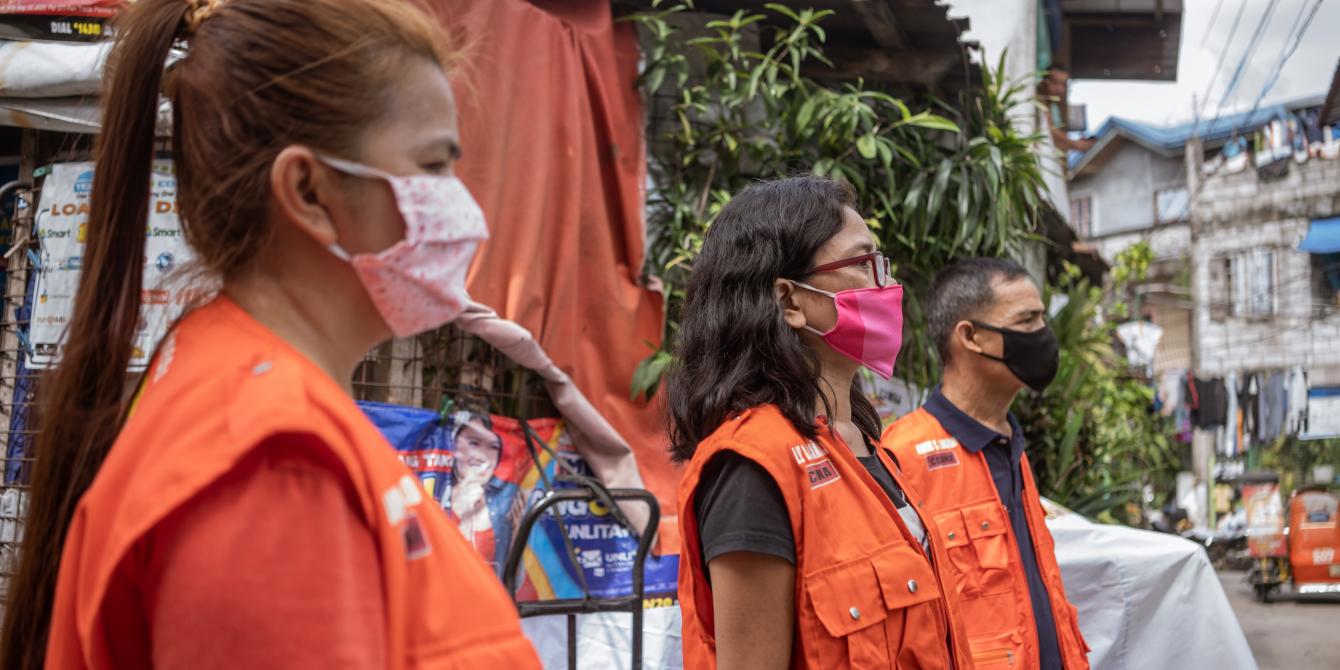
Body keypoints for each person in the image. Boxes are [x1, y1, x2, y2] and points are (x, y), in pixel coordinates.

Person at [0, 0, 541, 667]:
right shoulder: (270, 468)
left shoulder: (252, 404)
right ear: (309, 192)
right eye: (433, 168)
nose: (463, 207)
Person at [667, 176, 972, 669]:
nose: (887, 286)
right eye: (862, 264)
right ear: (788, 301)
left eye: (883, 265)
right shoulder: (754, 468)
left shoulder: (871, 448)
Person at [882, 258, 1090, 670]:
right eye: (1027, 320)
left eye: (1042, 318)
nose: (1043, 334)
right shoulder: (903, 455)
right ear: (971, 337)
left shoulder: (1010, 445)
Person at [444, 411, 523, 577]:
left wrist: (518, 530)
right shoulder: (434, 493)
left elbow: (515, 579)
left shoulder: (509, 499)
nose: (482, 457)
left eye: (493, 447)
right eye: (474, 443)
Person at [1038, 64, 1095, 154]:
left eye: (1063, 84)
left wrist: (1076, 145)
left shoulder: (1051, 106)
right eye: (1054, 82)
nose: (1059, 89)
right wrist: (1075, 144)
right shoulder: (1037, 99)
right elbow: (1048, 129)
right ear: (1044, 81)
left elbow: (1050, 141)